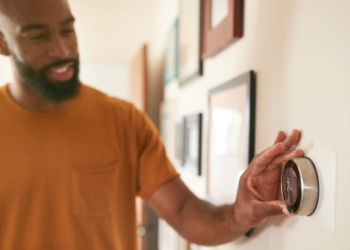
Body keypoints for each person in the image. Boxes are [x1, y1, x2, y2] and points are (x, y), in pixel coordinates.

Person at [0, 0, 304, 249]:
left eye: (68, 30)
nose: (63, 49)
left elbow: (186, 214)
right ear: (3, 42)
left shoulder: (124, 121)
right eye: (37, 36)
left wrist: (240, 213)